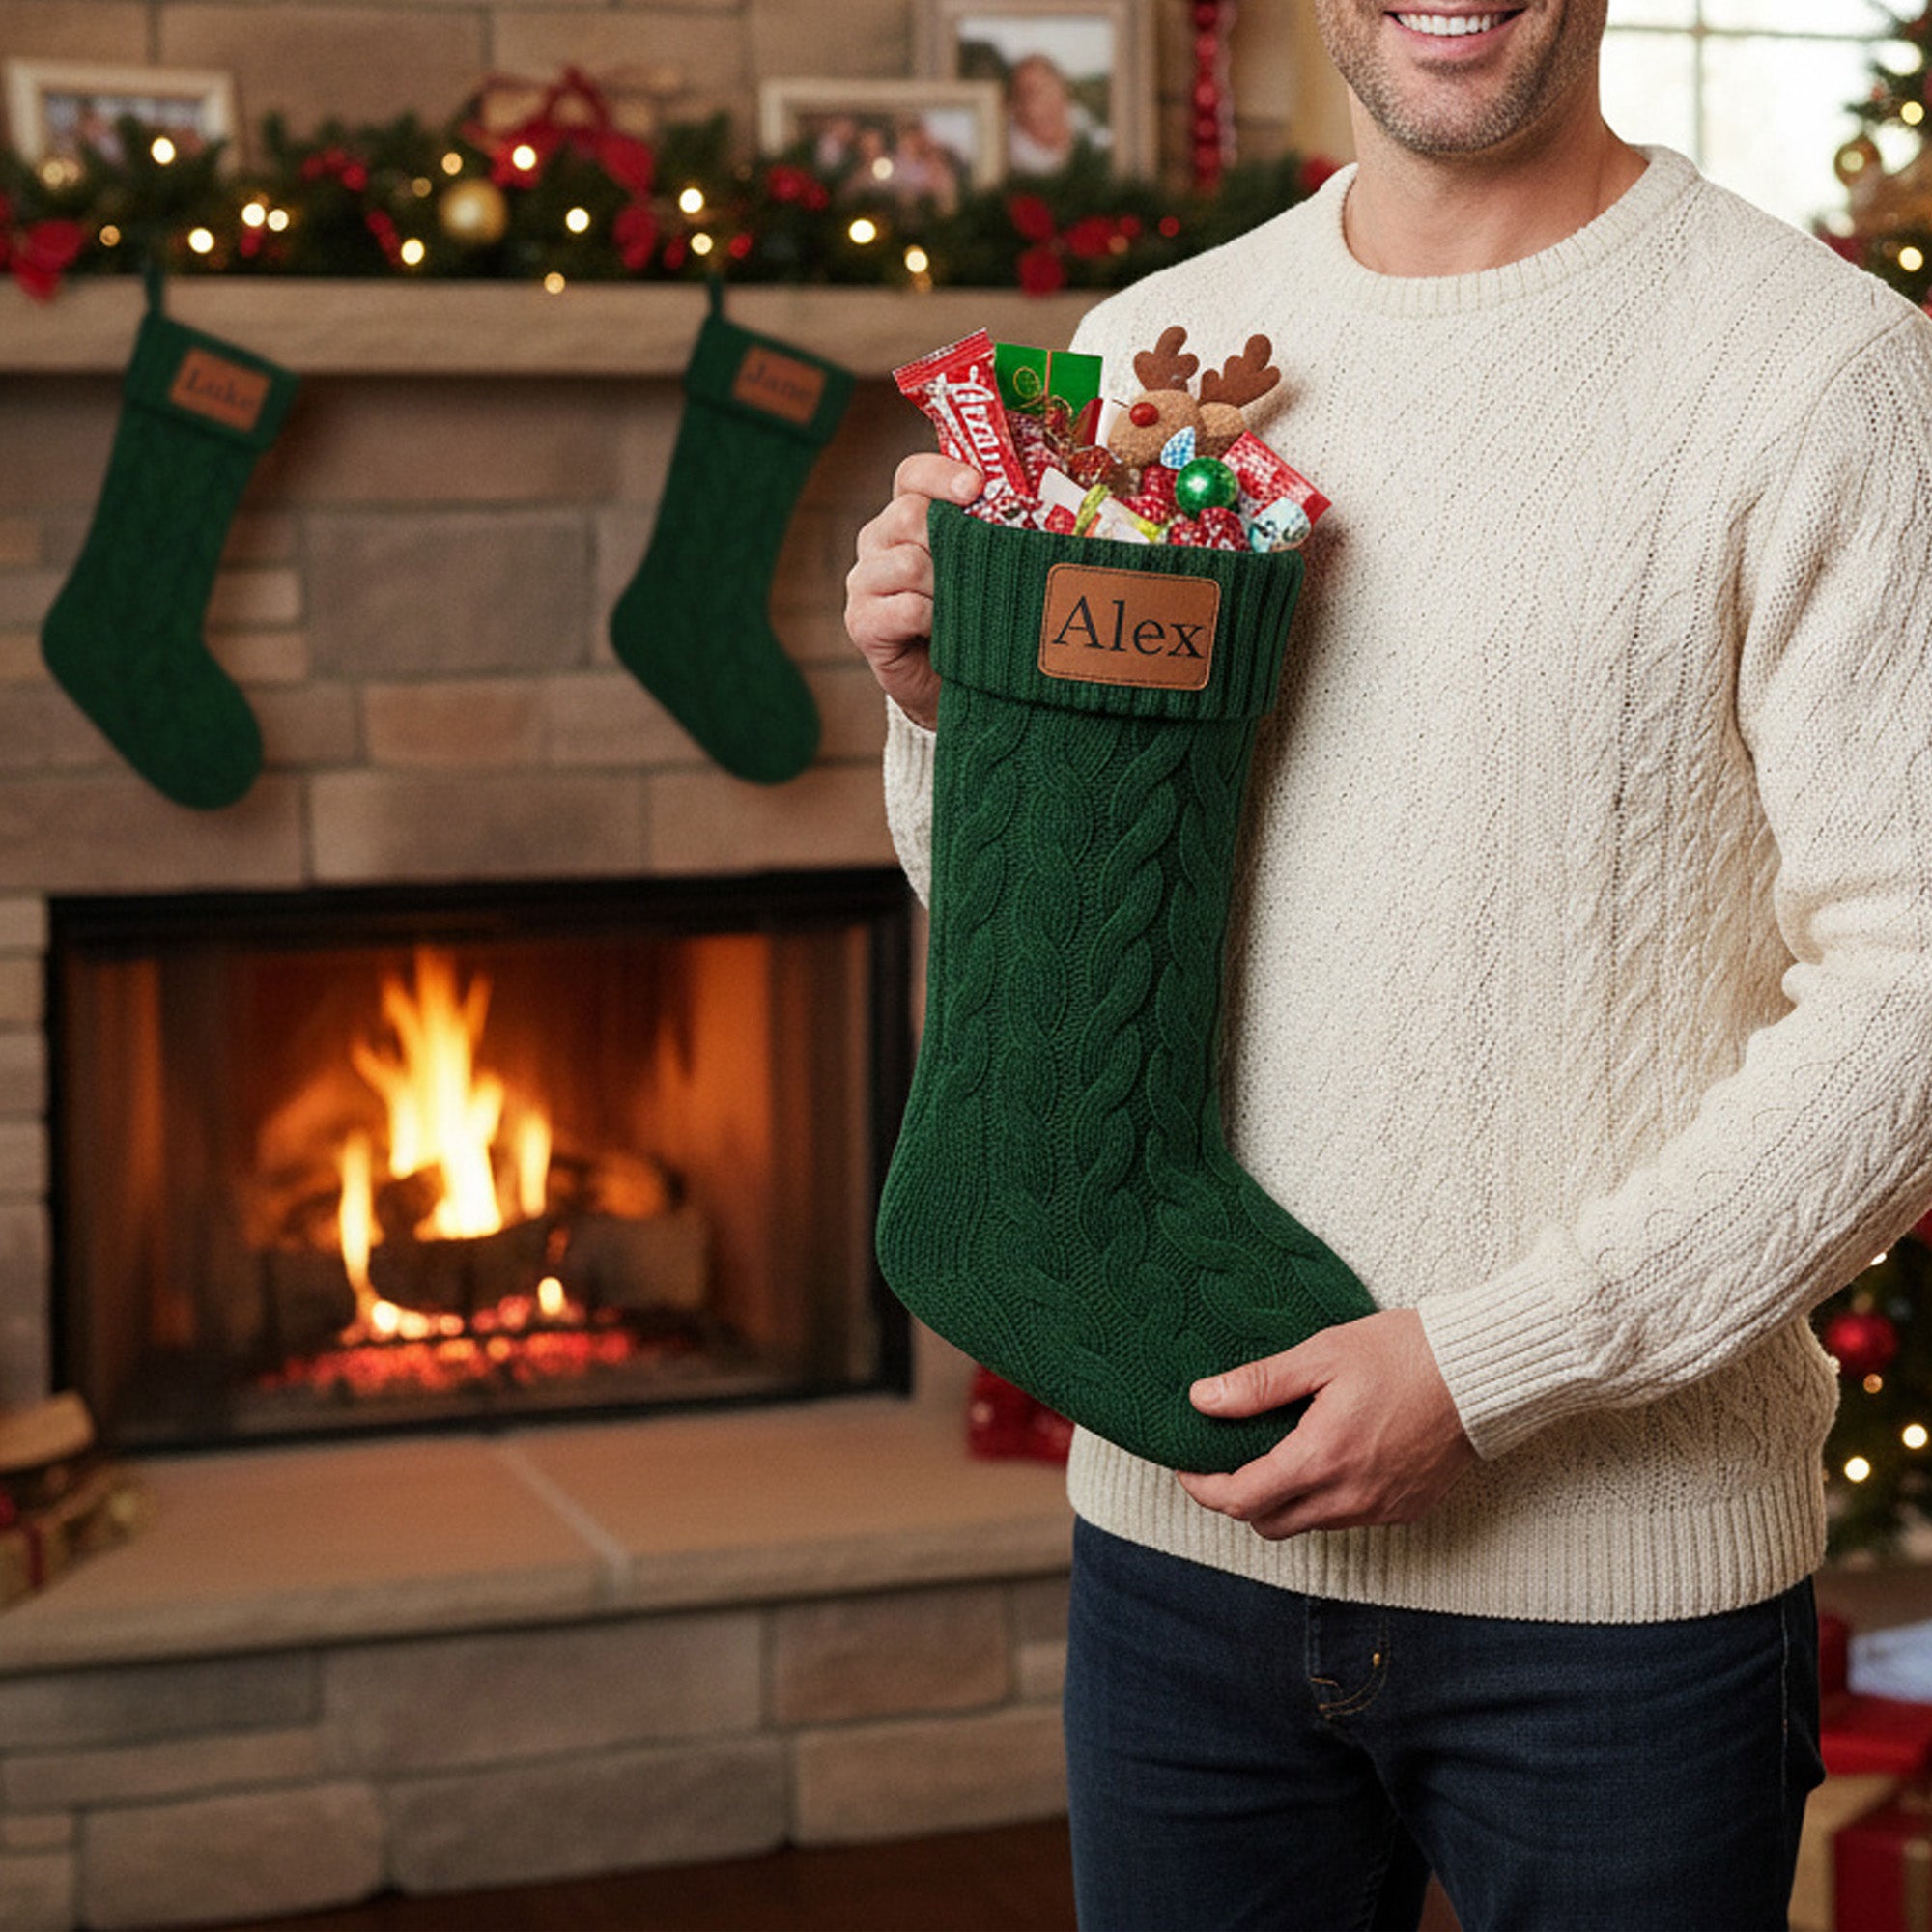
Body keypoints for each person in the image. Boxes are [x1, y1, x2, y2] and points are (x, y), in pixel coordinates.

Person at [845, 1, 1932, 1924]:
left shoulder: (1823, 376)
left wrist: (1493, 1364)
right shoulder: (1139, 361)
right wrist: (948, 714)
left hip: (1617, 1613)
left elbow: (1911, 995)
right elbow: (1048, 944)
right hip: (1179, 1555)